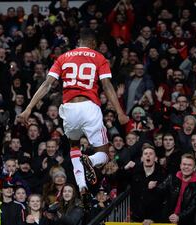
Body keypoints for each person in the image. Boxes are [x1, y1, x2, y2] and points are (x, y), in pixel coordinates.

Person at [18, 28, 129, 195]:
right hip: (89, 106)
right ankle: (90, 160)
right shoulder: (99, 57)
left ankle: (82, 185)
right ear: (92, 43)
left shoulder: (63, 57)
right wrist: (120, 112)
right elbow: (106, 86)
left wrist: (28, 108)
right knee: (105, 153)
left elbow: (47, 84)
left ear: (79, 42)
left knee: (74, 146)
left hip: (69, 109)